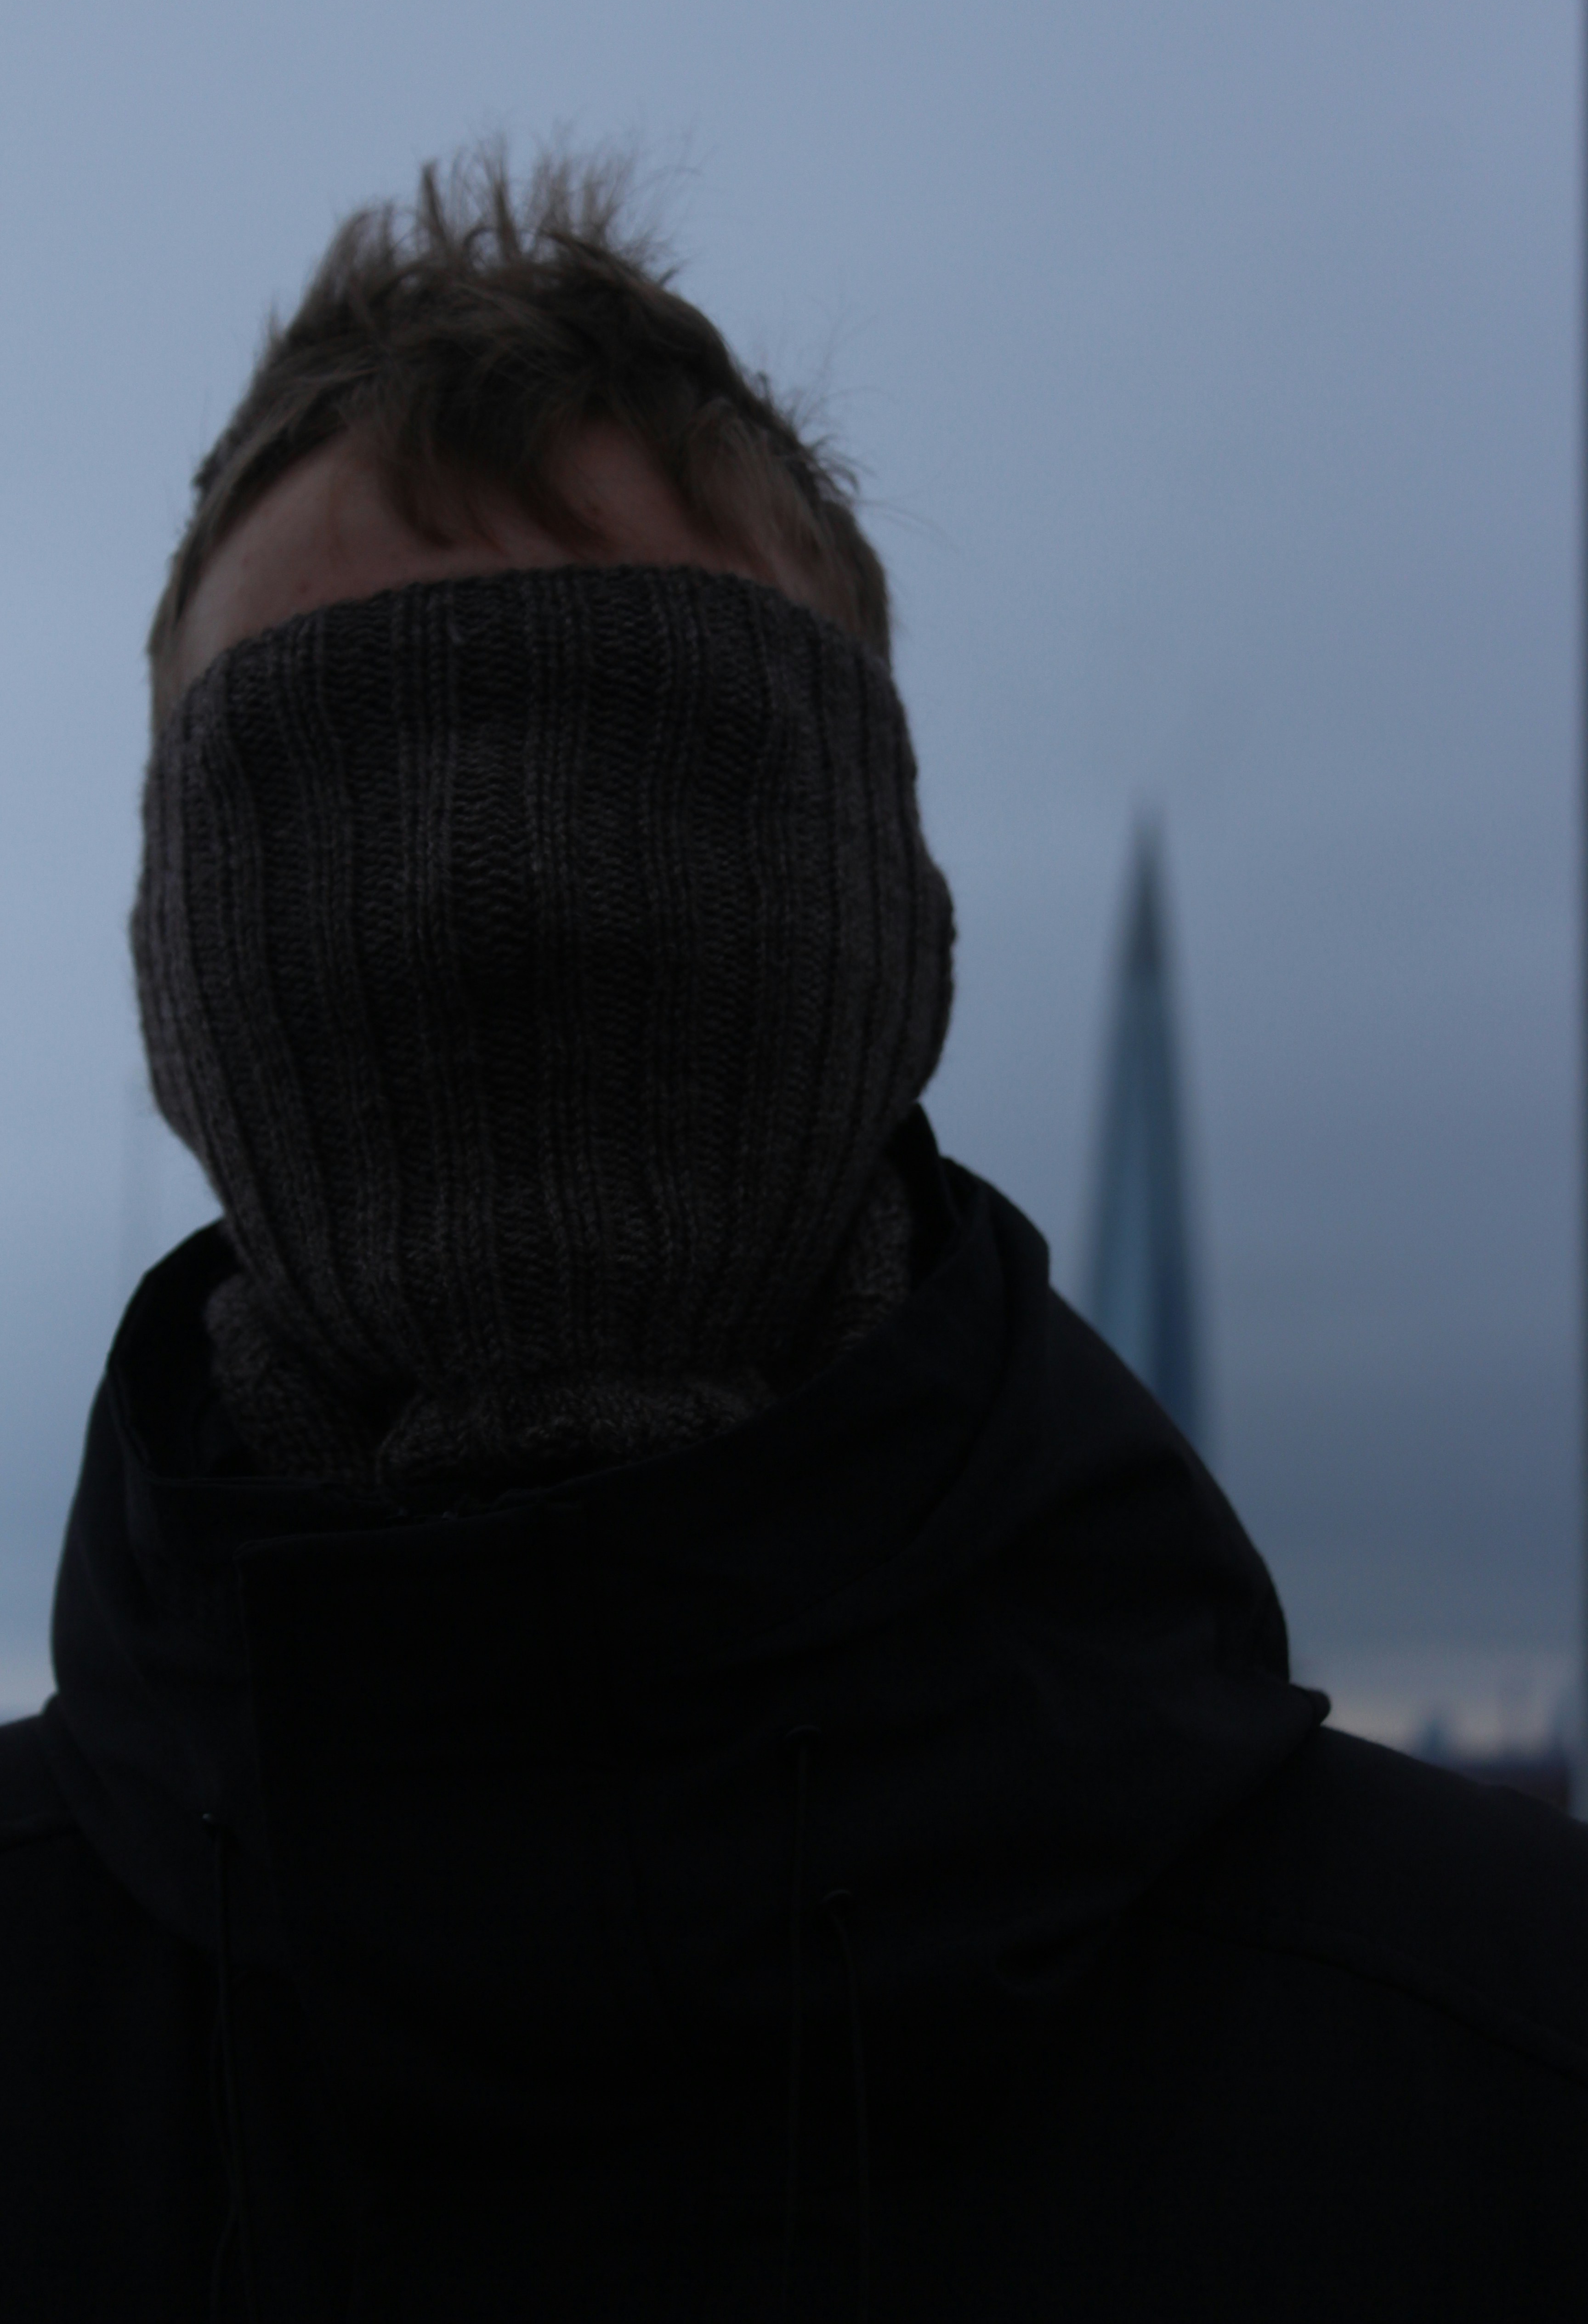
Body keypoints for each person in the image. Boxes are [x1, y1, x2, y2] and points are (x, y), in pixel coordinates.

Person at [2, 149, 1585, 2324]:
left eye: (637, 770)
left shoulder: (1511, 2065)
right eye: (336, 812)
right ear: (177, 989)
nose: (486, 906)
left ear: (890, 927)